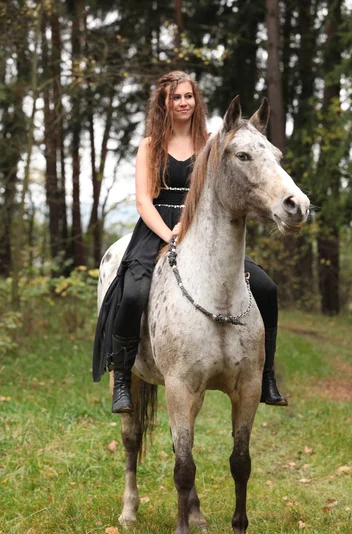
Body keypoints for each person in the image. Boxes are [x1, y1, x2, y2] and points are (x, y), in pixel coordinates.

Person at [92, 71, 287, 413]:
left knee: (266, 288)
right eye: (176, 97)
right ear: (164, 104)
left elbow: (220, 190)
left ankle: (267, 375)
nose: (183, 102)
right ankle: (123, 377)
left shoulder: (212, 142)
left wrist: (190, 223)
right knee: (133, 292)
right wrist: (169, 233)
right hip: (157, 226)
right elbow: (143, 201)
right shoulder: (150, 145)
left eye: (188, 96)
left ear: (196, 101)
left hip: (204, 226)